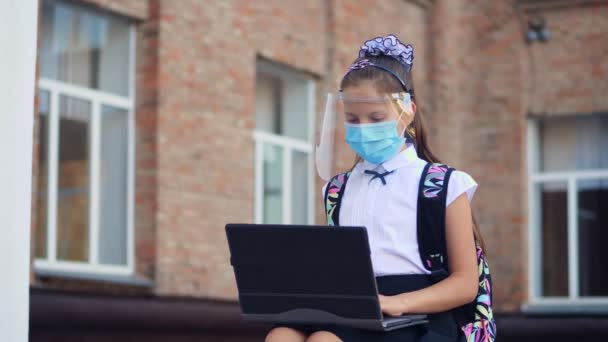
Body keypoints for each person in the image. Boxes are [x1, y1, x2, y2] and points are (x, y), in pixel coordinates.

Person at [266, 34, 483, 342]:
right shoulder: (338, 189)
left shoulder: (443, 184)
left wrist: (399, 303)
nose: (363, 128)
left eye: (376, 117)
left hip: (419, 315)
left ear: (407, 112)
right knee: (281, 336)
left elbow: (465, 284)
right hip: (354, 308)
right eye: (352, 119)